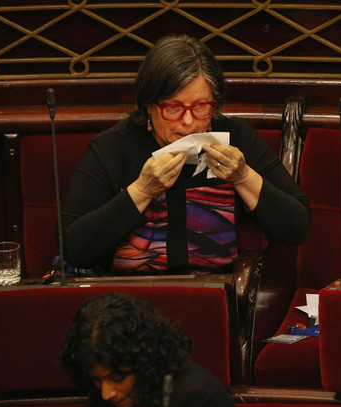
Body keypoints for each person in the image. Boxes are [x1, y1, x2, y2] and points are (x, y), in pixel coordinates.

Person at [58, 34, 310, 275]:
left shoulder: (235, 138)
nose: (188, 121)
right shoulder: (114, 147)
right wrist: (143, 190)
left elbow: (296, 228)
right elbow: (74, 248)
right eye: (173, 107)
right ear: (149, 104)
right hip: (127, 297)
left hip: (213, 295)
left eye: (201, 107)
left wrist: (243, 177)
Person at [60, 292, 262, 407]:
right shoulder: (104, 393)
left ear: (144, 362)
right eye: (97, 380)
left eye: (118, 378)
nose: (107, 392)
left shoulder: (196, 398)